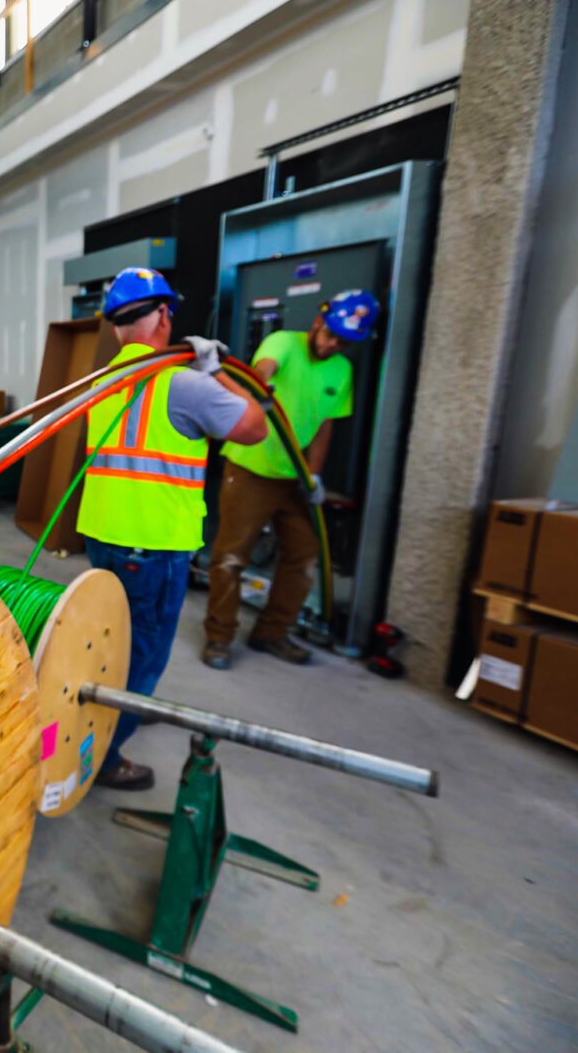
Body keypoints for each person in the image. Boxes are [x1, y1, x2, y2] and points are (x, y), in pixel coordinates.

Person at [76, 268, 268, 790]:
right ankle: (104, 755)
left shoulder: (102, 378)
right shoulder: (184, 384)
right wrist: (217, 370)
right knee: (142, 656)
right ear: (163, 315)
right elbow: (256, 426)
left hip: (104, 534)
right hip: (153, 545)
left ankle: (120, 708)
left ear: (117, 325)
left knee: (112, 640)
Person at [201, 289, 379, 669]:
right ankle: (219, 637)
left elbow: (324, 425)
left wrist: (313, 475)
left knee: (304, 555)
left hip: (293, 476)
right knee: (231, 557)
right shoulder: (283, 342)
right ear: (318, 321)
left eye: (343, 342)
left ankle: (271, 633)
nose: (334, 345)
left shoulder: (341, 370)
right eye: (331, 334)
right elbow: (260, 372)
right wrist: (256, 385)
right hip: (251, 467)